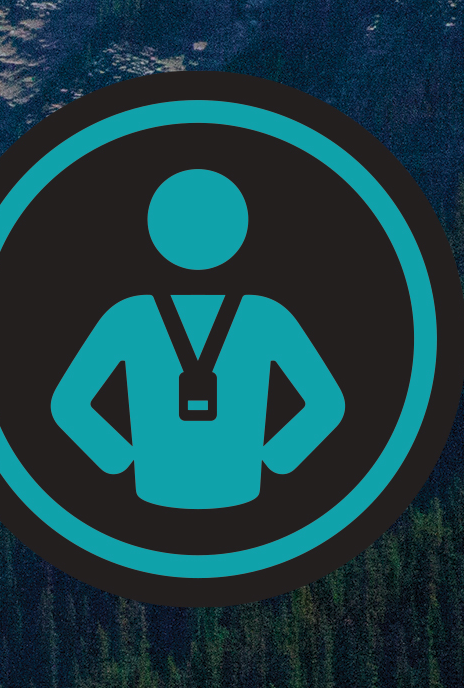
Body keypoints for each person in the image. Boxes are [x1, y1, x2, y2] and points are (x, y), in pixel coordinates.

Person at [50, 168, 342, 510]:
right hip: (240, 485)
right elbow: (327, 404)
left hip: (155, 485)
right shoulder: (266, 315)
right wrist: (275, 459)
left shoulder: (129, 316)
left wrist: (120, 459)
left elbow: (68, 404)